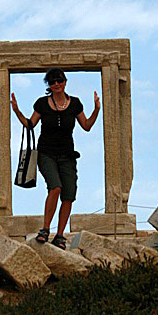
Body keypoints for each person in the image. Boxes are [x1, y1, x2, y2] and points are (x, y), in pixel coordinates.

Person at [10, 67, 101, 250]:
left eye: (59, 80)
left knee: (68, 194)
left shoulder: (75, 103)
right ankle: (45, 229)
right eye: (52, 82)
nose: (56, 84)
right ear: (49, 85)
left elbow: (87, 126)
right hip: (46, 153)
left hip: (67, 155)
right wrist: (17, 111)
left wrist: (97, 109)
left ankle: (59, 236)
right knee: (55, 186)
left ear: (65, 81)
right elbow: (30, 124)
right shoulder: (42, 103)